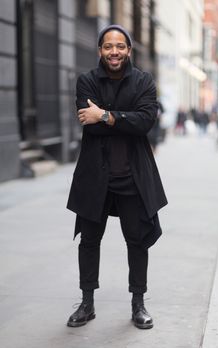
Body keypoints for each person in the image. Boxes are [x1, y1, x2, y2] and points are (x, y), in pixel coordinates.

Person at [66, 24, 167, 330]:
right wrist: (122, 118)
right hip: (95, 175)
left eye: (120, 46)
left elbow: (145, 122)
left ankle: (138, 304)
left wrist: (107, 115)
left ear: (128, 51)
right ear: (100, 51)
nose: (114, 52)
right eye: (108, 46)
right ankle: (87, 303)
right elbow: (89, 122)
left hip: (132, 176)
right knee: (89, 241)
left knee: (137, 241)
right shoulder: (87, 81)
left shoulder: (143, 81)